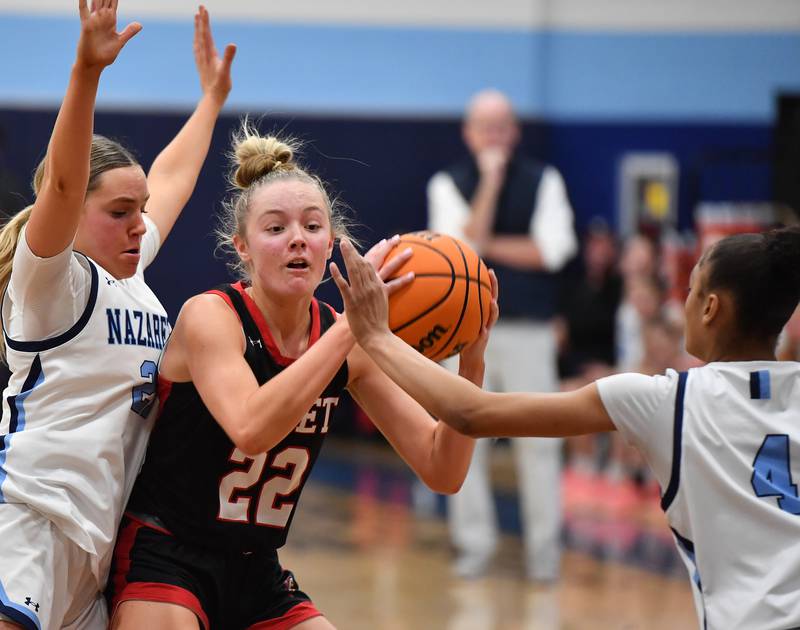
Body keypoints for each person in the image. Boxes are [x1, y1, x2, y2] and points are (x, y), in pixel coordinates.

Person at [106, 125, 497, 630]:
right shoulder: (212, 316)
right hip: (167, 552)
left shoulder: (343, 339)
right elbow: (251, 428)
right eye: (275, 228)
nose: (297, 238)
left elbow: (443, 469)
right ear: (242, 248)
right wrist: (353, 327)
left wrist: (471, 363)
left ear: (329, 243)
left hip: (256, 570)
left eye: (312, 226)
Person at [333, 225, 800, 630]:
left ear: (711, 308)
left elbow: (471, 415)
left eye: (692, 289)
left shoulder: (668, 400)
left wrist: (375, 334)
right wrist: (471, 359)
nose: (685, 300)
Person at [0, 3, 235, 629]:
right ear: (74, 212)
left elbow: (173, 176)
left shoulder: (131, 274)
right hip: (28, 519)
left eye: (141, 210)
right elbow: (61, 184)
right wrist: (86, 72)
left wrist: (211, 100)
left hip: (98, 542)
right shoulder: (53, 281)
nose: (139, 225)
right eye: (119, 212)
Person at [426, 88, 577, 581]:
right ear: (469, 134)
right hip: (465, 333)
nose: (493, 136)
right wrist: (489, 186)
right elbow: (458, 251)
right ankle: (474, 547)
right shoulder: (446, 183)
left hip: (529, 330)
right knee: (462, 439)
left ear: (514, 132)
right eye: (484, 127)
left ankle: (544, 557)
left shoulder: (545, 179)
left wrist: (485, 243)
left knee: (541, 445)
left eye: (502, 126)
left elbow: (553, 251)